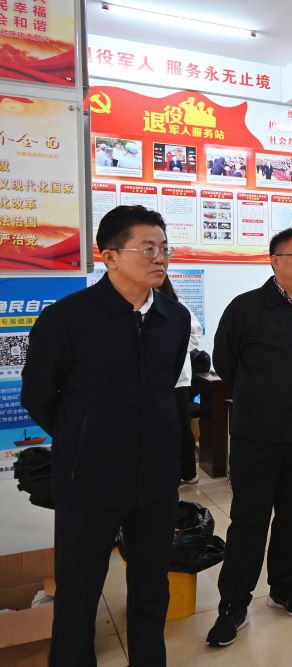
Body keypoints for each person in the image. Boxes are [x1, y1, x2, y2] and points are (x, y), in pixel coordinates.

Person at [21, 205, 189, 667]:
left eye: (164, 248)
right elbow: (38, 395)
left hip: (155, 479)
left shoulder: (174, 318)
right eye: (147, 248)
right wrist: (85, 436)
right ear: (109, 256)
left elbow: (165, 388)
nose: (160, 257)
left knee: (152, 588)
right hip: (88, 478)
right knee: (79, 591)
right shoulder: (67, 319)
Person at [207, 228, 292, 647]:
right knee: (249, 519)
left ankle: (284, 587)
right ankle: (233, 603)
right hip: (257, 436)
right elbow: (225, 363)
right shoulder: (246, 308)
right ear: (275, 260)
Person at [157, 274, 204, 484]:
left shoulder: (177, 306)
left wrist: (173, 350)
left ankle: (188, 472)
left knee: (181, 427)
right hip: (149, 380)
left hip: (177, 380)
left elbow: (195, 334)